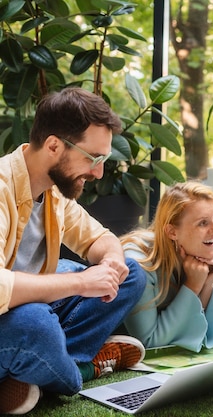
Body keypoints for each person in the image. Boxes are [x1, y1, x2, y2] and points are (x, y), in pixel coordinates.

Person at [0, 88, 146, 415]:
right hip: (17, 318)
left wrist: (110, 262)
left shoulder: (54, 192)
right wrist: (81, 284)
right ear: (53, 146)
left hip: (30, 310)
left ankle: (30, 369)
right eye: (93, 159)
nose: (98, 173)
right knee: (37, 322)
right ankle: (82, 369)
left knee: (130, 272)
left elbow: (101, 239)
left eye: (103, 160)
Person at [120, 182, 213, 351]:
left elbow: (204, 331)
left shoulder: (201, 256)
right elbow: (148, 343)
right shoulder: (139, 264)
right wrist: (192, 286)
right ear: (172, 232)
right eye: (203, 223)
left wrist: (206, 284)